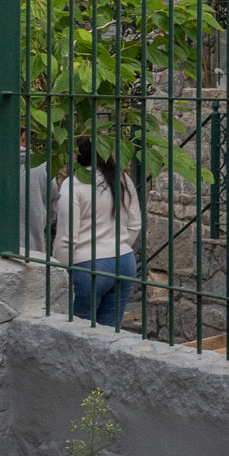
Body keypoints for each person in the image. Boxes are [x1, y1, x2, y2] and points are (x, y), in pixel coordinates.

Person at [51, 138, 144, 328]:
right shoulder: (122, 178)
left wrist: (59, 271)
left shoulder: (74, 184)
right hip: (124, 261)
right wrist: (116, 246)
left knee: (77, 332)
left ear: (78, 154)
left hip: (87, 266)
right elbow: (135, 224)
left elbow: (67, 237)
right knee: (110, 333)